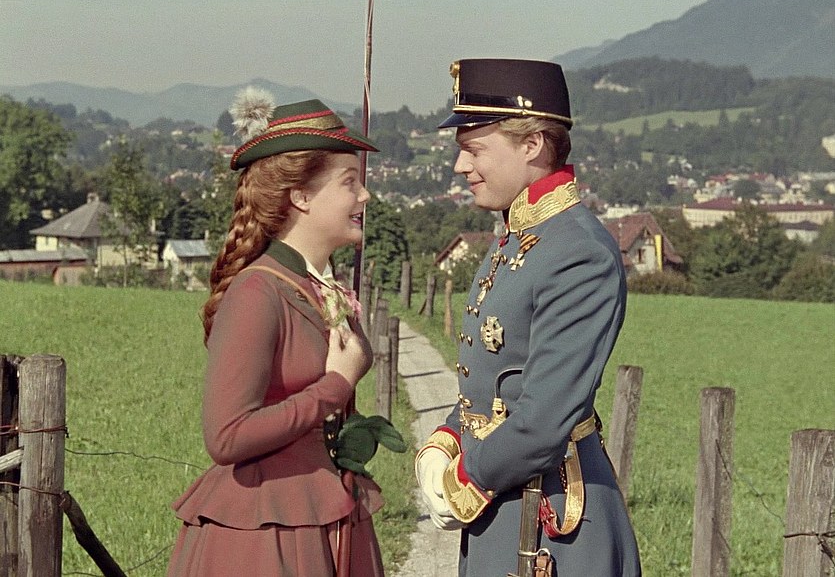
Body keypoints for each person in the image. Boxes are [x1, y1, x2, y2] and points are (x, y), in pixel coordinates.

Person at [414, 59, 641, 576]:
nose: (461, 166)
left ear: (532, 144)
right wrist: (447, 439)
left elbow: (540, 423)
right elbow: (498, 385)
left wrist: (462, 480)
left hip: (551, 522)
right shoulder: (521, 235)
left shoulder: (578, 252)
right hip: (505, 502)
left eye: (475, 149)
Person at [167, 88, 386, 576]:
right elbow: (226, 436)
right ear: (301, 196)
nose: (364, 196)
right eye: (349, 182)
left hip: (319, 514)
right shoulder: (257, 292)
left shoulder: (313, 284)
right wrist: (336, 385)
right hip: (265, 538)